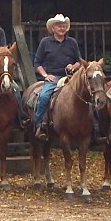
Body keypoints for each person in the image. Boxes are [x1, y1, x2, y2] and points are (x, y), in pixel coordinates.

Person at [32, 14, 82, 142]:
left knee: (87, 95)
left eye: (64, 26)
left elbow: (79, 61)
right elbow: (37, 63)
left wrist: (74, 66)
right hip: (53, 77)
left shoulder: (72, 42)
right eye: (59, 26)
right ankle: (40, 125)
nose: (62, 28)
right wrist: (45, 75)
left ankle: (95, 127)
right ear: (53, 28)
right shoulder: (45, 42)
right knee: (43, 97)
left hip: (70, 77)